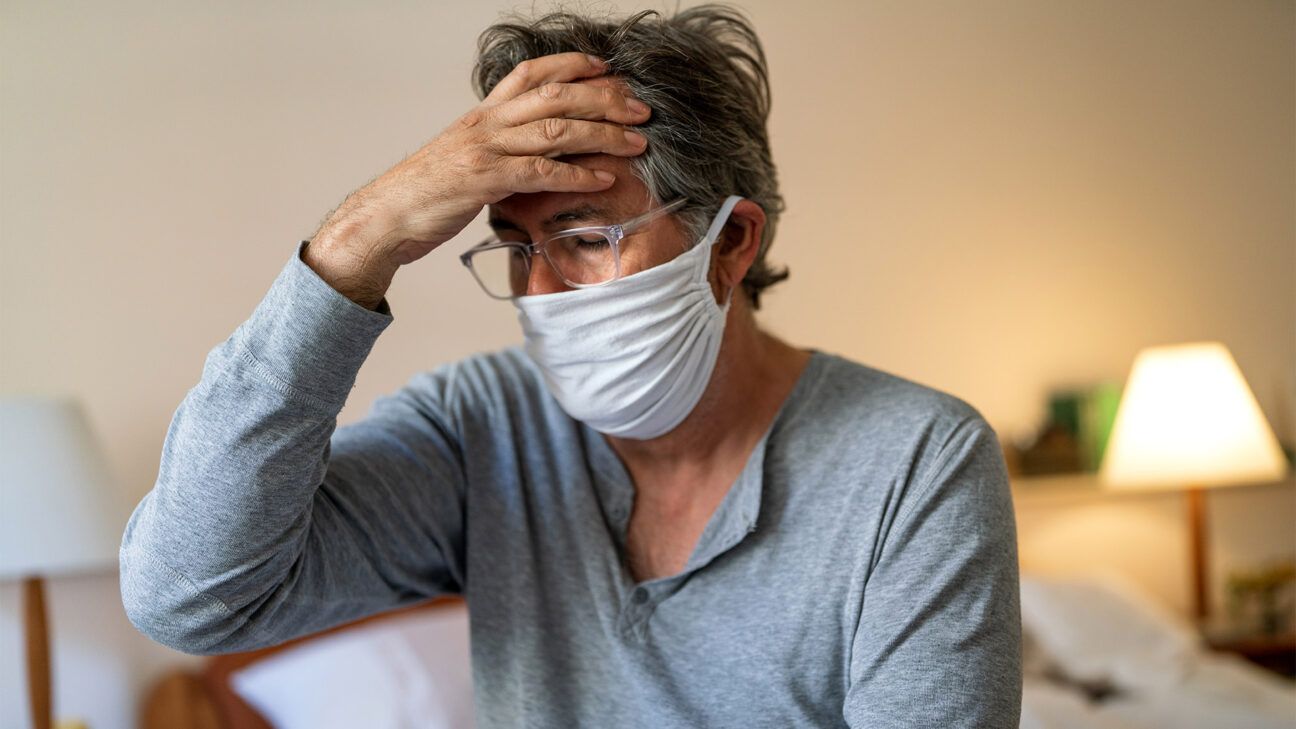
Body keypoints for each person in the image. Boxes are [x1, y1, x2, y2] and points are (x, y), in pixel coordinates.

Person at [119, 5, 1022, 727]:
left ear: (731, 242)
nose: (543, 291)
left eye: (586, 238)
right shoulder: (484, 428)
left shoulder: (915, 461)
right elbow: (188, 598)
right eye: (517, 247)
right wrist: (363, 238)